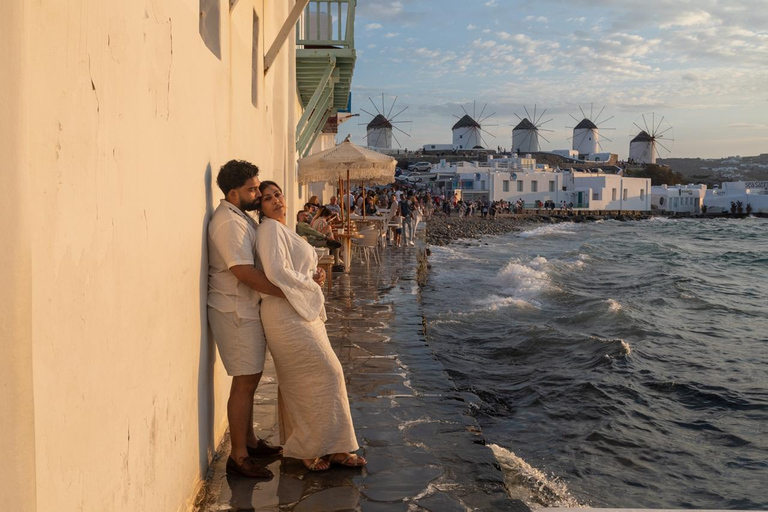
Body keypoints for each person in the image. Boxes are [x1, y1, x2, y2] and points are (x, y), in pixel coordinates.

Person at [255, 181, 366, 471]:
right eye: (268, 198)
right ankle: (308, 445)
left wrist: (313, 273)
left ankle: (337, 447)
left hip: (300, 309)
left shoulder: (285, 228)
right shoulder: (269, 229)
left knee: (320, 377)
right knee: (324, 373)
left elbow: (292, 269)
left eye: (278, 194)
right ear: (261, 206)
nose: (276, 200)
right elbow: (276, 271)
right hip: (285, 313)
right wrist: (309, 283)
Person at [207, 160, 285, 479]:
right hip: (234, 311)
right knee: (243, 383)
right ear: (233, 193)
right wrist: (286, 291)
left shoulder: (239, 217)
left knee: (250, 382)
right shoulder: (228, 222)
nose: (258, 193)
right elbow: (242, 271)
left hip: (243, 309)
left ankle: (250, 442)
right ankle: (238, 457)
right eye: (252, 189)